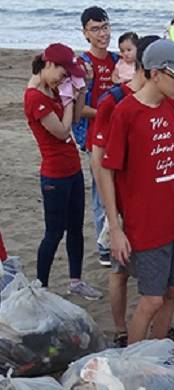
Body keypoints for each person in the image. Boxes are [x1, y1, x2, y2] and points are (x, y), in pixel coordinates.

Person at [100, 39, 174, 344]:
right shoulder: (125, 112)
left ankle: (159, 352)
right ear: (154, 73)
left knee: (173, 290)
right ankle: (133, 361)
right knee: (151, 299)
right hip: (145, 222)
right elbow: (106, 172)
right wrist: (115, 228)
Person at [23, 43, 102, 299]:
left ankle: (75, 281)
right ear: (48, 64)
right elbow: (61, 130)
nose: (64, 79)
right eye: (62, 73)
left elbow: (77, 118)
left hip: (72, 169)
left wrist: (80, 90)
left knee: (75, 228)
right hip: (54, 175)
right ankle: (41, 287)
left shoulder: (52, 88)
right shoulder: (35, 97)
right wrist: (67, 99)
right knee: (54, 232)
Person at [74, 6, 119, 266]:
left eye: (105, 27)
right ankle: (104, 246)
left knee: (119, 187)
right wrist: (107, 113)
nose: (102, 34)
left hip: (118, 135)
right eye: (95, 29)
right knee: (102, 192)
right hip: (95, 136)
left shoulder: (117, 59)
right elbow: (78, 109)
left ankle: (115, 237)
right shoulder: (83, 65)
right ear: (85, 33)